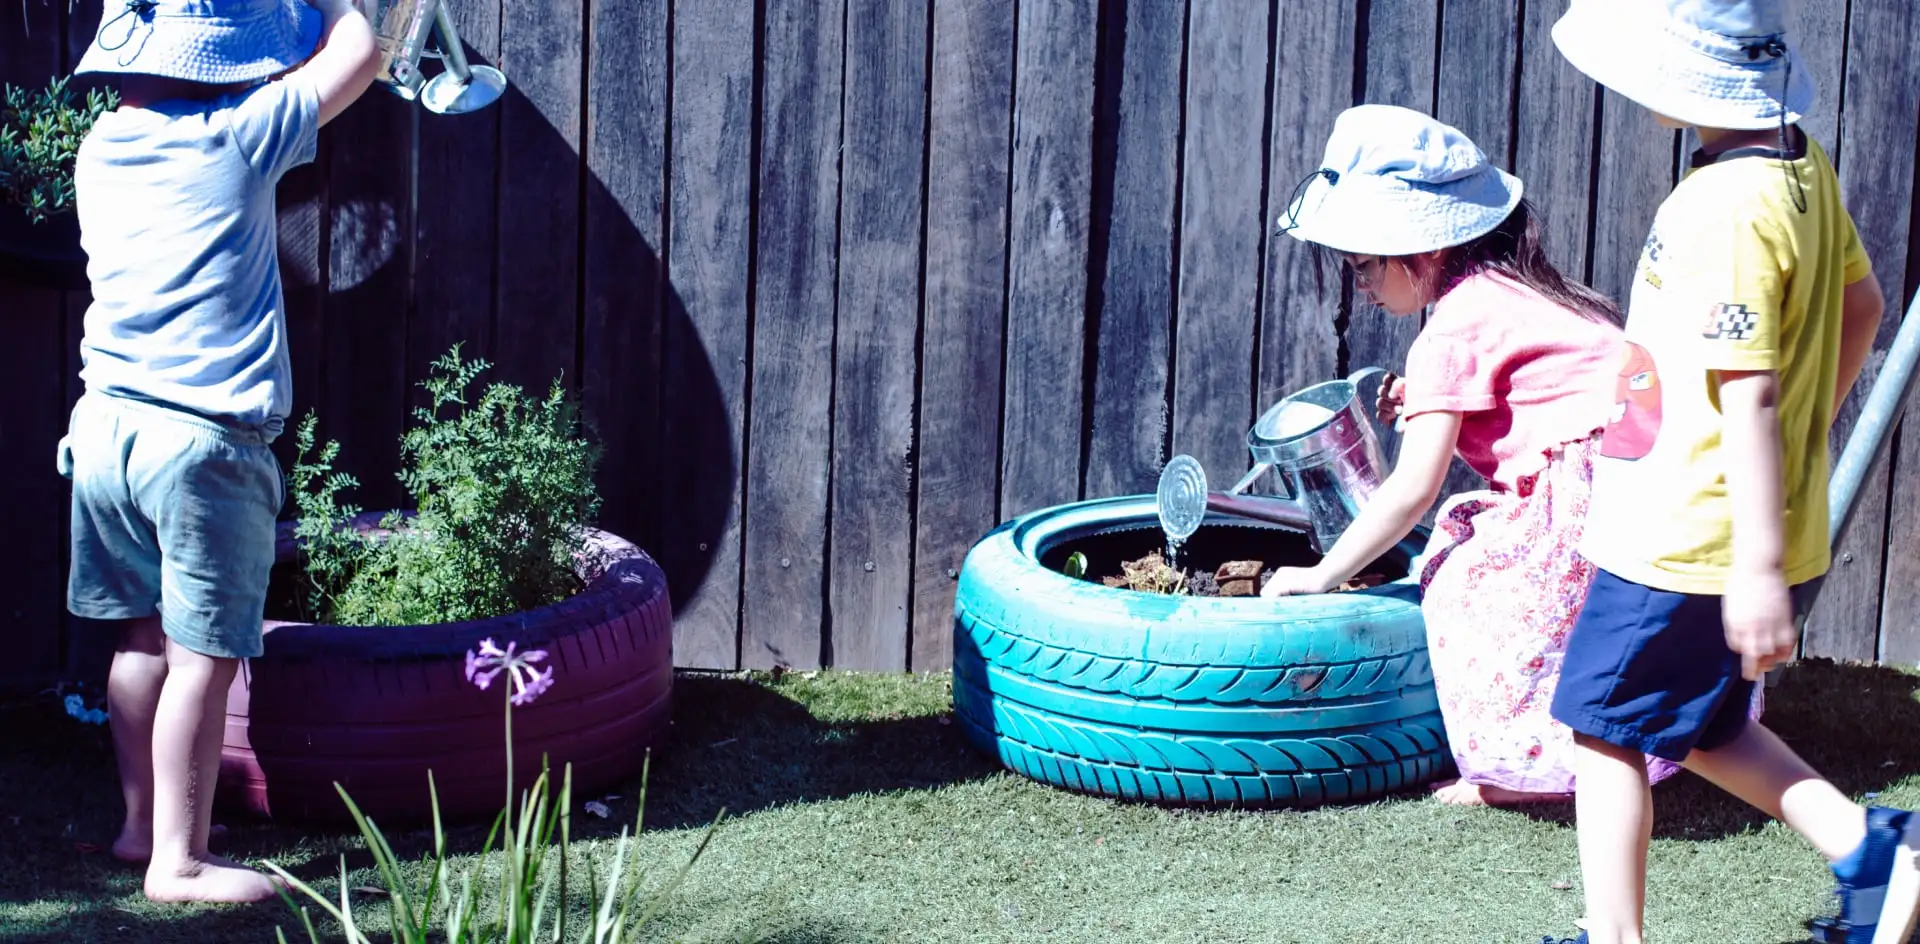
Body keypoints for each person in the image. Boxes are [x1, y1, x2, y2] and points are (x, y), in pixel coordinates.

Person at [1539, 1, 1915, 942]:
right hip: (1731, 523)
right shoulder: (1801, 167)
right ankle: (1876, 856)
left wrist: (1753, 563)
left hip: (1686, 534)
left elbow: (1746, 392)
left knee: (1605, 729)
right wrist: (1803, 443)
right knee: (1700, 722)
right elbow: (1863, 305)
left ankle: (1612, 937)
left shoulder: (1720, 207)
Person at [1259, 104, 1715, 807]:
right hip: (1658, 470)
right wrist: (1433, 396)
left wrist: (1322, 575)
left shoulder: (1449, 332)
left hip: (1593, 496)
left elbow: (1414, 487)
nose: (1363, 287)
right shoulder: (1522, 289)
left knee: (1467, 578)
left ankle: (1521, 768)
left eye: (1364, 267)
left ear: (1422, 249)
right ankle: (1616, 738)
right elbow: (1545, 384)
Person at [61, 0, 379, 904]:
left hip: (104, 429)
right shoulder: (241, 134)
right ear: (229, 61)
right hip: (201, 444)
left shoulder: (100, 149)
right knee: (206, 655)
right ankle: (181, 861)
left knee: (139, 638)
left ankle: (138, 828)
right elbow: (355, 50)